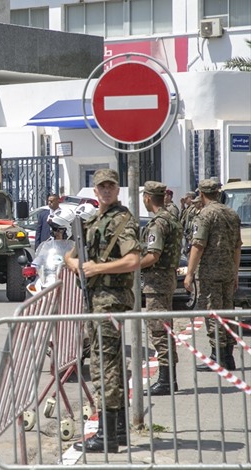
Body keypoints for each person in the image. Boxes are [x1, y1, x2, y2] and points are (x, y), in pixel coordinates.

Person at [64, 169, 140, 454]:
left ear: (118, 189)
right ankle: (118, 431)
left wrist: (97, 269)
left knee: (104, 366)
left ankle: (107, 436)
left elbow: (133, 260)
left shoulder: (122, 220)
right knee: (110, 364)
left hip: (110, 301)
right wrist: (76, 265)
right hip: (96, 299)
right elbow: (69, 256)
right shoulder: (95, 220)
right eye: (101, 186)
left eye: (111, 186)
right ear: (95, 191)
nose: (106, 190)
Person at [184, 179, 242, 371]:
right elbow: (237, 247)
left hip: (210, 273)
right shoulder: (232, 213)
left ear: (201, 194)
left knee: (213, 313)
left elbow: (198, 245)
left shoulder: (205, 215)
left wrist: (189, 273)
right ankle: (228, 356)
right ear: (218, 193)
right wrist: (235, 272)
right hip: (227, 272)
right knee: (227, 312)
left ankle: (218, 356)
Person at [140, 181, 182, 396]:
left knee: (159, 331)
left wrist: (132, 265)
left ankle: (166, 381)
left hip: (157, 282)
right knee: (164, 329)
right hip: (166, 280)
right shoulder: (171, 218)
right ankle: (169, 379)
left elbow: (153, 255)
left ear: (147, 198)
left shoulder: (158, 223)